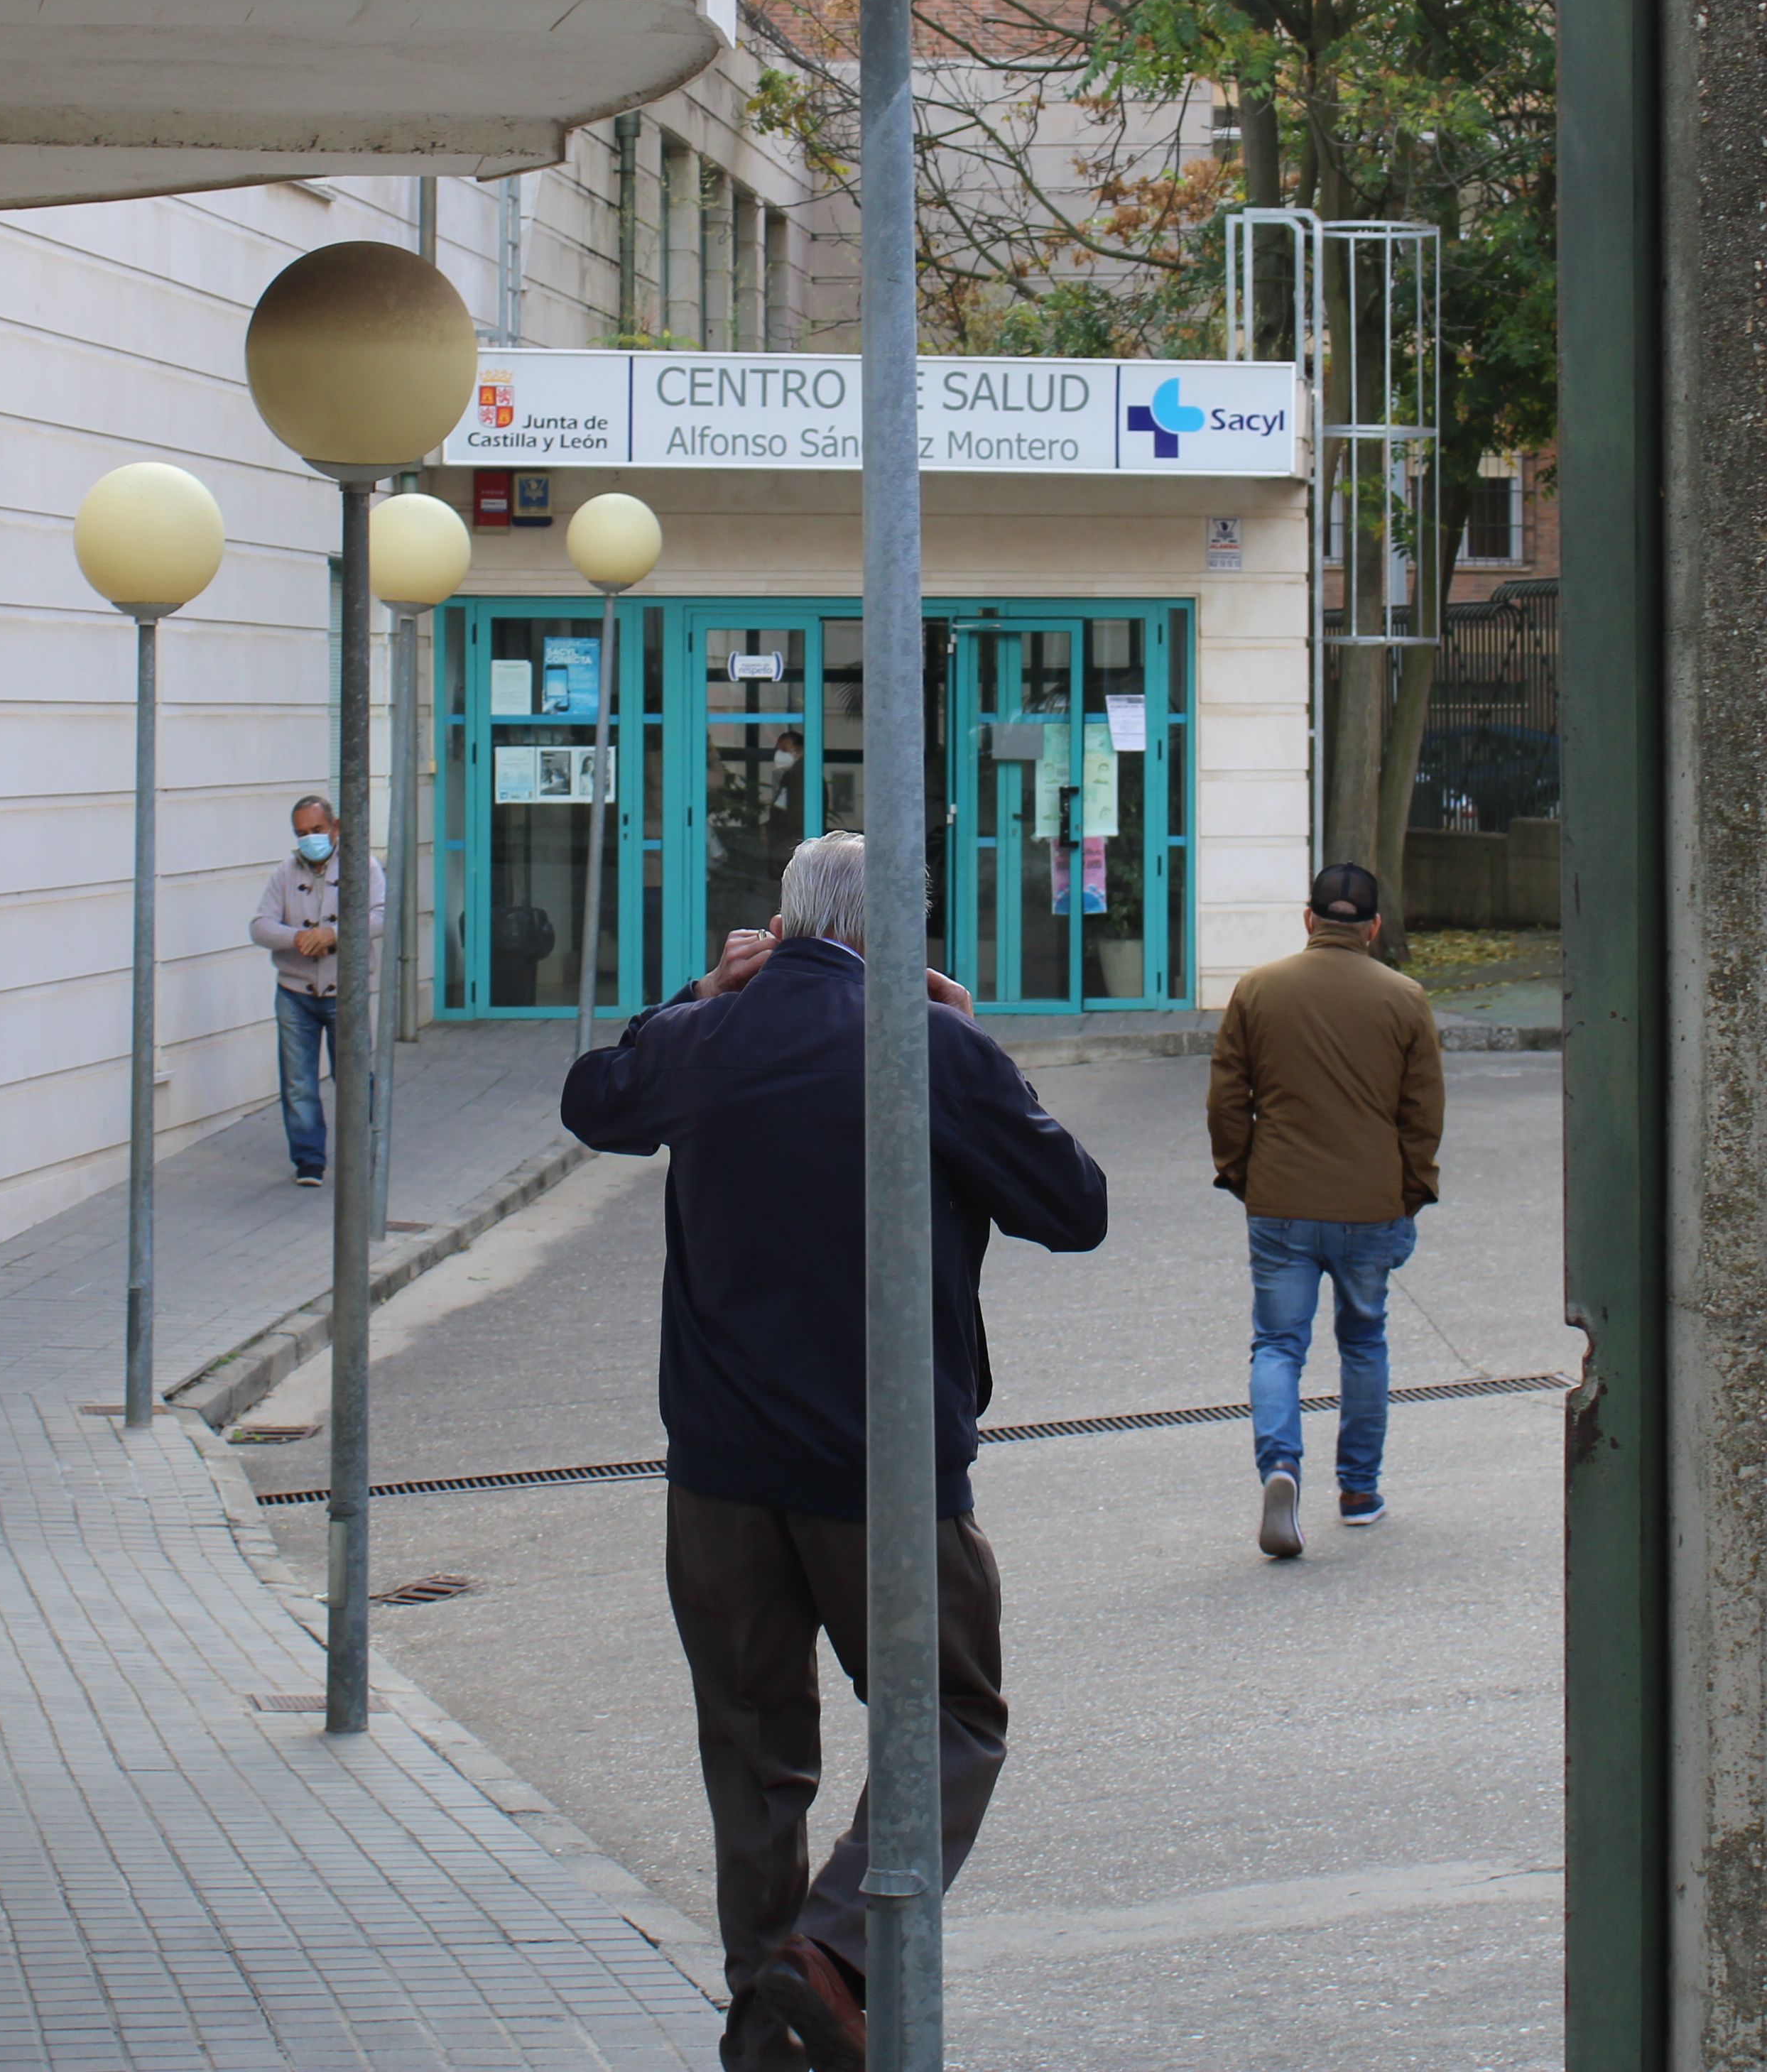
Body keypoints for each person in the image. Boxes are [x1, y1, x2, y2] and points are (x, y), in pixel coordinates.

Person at [563, 833, 1108, 2072]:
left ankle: (767, 2036)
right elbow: (1074, 1209)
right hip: (891, 1480)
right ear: (897, 935)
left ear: (781, 927)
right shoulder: (934, 1047)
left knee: (755, 1759)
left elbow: (593, 1098)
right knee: (953, 1714)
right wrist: (977, 1055)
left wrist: (696, 996)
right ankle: (833, 1947)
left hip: (718, 1480)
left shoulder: (708, 1042)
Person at [1205, 860, 1444, 1557]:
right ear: (1372, 927)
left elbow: (1227, 1099)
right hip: (1370, 1203)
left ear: (1309, 919)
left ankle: (1281, 1466)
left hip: (1279, 1197)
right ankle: (1360, 1490)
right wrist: (1410, 1192)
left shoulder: (1258, 990)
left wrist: (1242, 1173)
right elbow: (1421, 1112)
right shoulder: (1405, 998)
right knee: (1365, 1339)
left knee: (1278, 1344)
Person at [248, 793, 382, 1189]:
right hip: (296, 992)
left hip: (346, 991)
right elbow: (260, 925)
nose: (311, 839)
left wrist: (334, 935)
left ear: (334, 827)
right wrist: (300, 937)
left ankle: (365, 1149)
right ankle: (309, 1160)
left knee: (356, 1075)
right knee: (298, 1081)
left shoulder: (363, 867)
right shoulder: (285, 874)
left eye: (317, 830)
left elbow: (382, 915)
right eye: (302, 833)